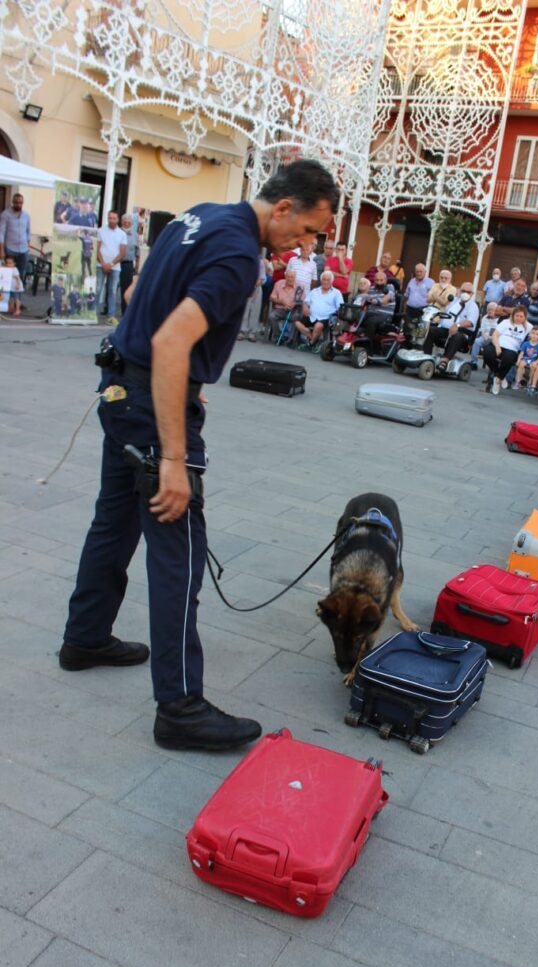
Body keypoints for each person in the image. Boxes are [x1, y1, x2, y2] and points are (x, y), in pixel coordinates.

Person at [59, 158, 339, 752]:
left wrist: (169, 370)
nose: (306, 245)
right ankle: (180, 706)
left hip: (120, 388)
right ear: (285, 207)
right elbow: (170, 341)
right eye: (312, 230)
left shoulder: (200, 215)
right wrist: (173, 454)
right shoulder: (241, 254)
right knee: (178, 551)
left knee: (112, 523)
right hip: (150, 405)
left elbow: (139, 293)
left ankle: (85, 636)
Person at [483, 305, 531, 395]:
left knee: (508, 358)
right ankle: (501, 376)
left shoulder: (528, 327)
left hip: (512, 349)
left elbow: (536, 334)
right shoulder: (506, 322)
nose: (519, 318)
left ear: (525, 317)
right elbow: (495, 335)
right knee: (487, 353)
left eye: (521, 316)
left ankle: (497, 380)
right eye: (517, 316)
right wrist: (497, 346)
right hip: (498, 345)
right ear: (513, 315)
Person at [294, 270, 343, 349]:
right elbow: (305, 302)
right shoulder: (314, 291)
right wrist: (305, 306)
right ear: (321, 280)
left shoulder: (336, 293)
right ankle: (312, 338)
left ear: (331, 281)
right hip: (311, 316)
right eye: (324, 279)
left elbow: (340, 307)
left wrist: (337, 320)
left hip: (326, 318)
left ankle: (311, 343)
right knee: (297, 322)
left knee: (318, 326)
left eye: (328, 280)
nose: (326, 282)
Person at [436, 283, 479, 369]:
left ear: (472, 294)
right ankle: (427, 356)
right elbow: (445, 314)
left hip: (462, 333)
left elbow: (470, 322)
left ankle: (445, 361)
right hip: (446, 329)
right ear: (459, 291)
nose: (465, 293)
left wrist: (458, 325)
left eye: (468, 292)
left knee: (457, 336)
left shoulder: (473, 306)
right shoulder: (453, 301)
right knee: (432, 330)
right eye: (463, 291)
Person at [96, 211, 127, 325]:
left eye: (114, 218)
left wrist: (111, 264)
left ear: (118, 220)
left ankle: (111, 316)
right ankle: (93, 314)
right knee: (98, 288)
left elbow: (122, 253)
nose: (111, 220)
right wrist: (103, 263)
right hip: (101, 265)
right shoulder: (100, 231)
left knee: (112, 291)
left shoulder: (122, 234)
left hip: (115, 267)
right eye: (110, 218)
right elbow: (97, 249)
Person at [0, 193, 31, 280]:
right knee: (8, 273)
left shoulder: (26, 215)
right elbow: (1, 232)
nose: (18, 204)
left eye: (20, 203)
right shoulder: (5, 214)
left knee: (20, 274)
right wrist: (1, 250)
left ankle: (18, 292)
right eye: (16, 202)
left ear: (23, 203)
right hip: (10, 249)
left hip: (23, 249)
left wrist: (28, 246)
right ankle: (8, 293)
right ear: (12, 202)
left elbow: (29, 231)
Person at [361, 269, 395, 342]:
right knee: (355, 318)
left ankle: (368, 348)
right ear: (374, 281)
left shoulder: (390, 287)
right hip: (370, 313)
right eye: (377, 280)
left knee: (371, 322)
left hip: (384, 315)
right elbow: (365, 301)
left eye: (381, 280)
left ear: (385, 280)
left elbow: (385, 299)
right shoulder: (371, 289)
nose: (379, 282)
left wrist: (375, 301)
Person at [512, 326, 538, 390]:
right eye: (533, 333)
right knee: (521, 364)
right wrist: (518, 360)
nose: (534, 335)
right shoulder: (526, 344)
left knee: (533, 366)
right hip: (526, 359)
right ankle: (518, 382)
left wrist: (536, 362)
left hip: (534, 360)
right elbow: (521, 353)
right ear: (530, 334)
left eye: (537, 334)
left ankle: (530, 382)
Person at [119, 214, 140, 315]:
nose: (127, 222)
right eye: (125, 220)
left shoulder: (135, 235)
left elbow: (138, 252)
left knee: (126, 289)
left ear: (131, 223)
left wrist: (137, 266)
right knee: (112, 287)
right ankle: (108, 309)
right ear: (122, 222)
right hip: (116, 263)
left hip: (128, 264)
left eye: (129, 221)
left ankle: (124, 311)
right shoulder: (117, 232)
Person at [470, 301, 499, 368]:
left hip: (495, 339)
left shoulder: (499, 319)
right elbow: (482, 329)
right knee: (477, 341)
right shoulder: (485, 317)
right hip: (485, 337)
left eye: (492, 310)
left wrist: (492, 337)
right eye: (488, 309)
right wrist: (484, 335)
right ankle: (473, 361)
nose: (490, 311)